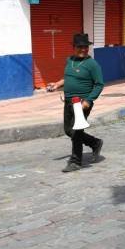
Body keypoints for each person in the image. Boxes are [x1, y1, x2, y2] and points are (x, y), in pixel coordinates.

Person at [46, 34, 104, 173]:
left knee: (77, 132)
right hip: (68, 101)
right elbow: (68, 77)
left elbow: (99, 84)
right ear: (74, 47)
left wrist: (89, 100)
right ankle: (95, 142)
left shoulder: (92, 64)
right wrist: (57, 84)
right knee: (69, 130)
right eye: (80, 47)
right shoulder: (70, 60)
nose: (83, 49)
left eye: (85, 47)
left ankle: (76, 161)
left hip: (82, 103)